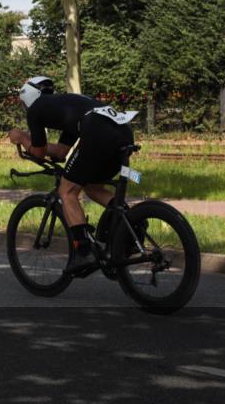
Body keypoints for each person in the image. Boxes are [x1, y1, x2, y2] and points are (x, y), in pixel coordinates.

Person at [8, 76, 136, 271]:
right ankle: (133, 228)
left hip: (96, 130)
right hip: (123, 132)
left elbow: (40, 153)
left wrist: (22, 138)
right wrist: (32, 143)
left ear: (27, 97)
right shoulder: (68, 106)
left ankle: (83, 252)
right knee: (92, 187)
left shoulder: (36, 109)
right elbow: (60, 152)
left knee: (67, 191)